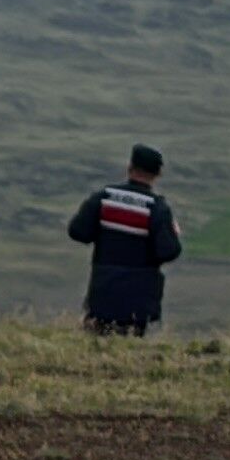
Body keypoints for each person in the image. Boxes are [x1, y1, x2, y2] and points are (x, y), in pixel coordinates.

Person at [69, 143, 185, 337]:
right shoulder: (157, 209)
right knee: (129, 349)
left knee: (95, 345)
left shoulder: (104, 198)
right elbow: (169, 251)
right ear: (157, 175)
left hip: (103, 292)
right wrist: (172, 233)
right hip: (138, 301)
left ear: (130, 168)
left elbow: (78, 232)